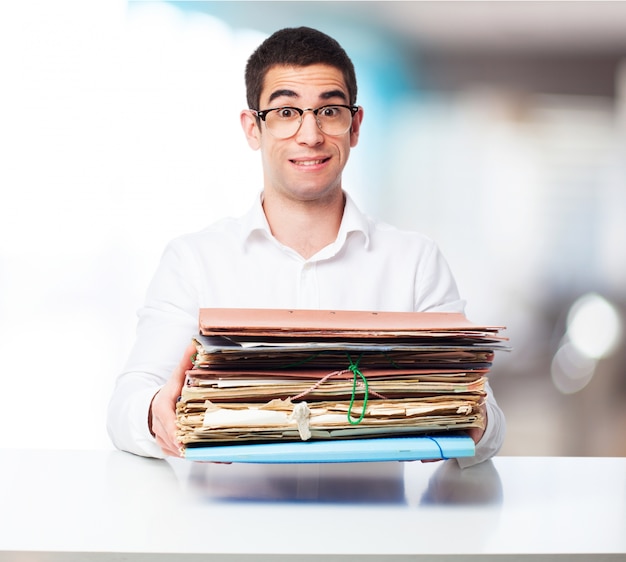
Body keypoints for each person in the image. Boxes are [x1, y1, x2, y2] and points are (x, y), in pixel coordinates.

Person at [107, 26, 505, 467]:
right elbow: (128, 402)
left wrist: (466, 417)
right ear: (252, 128)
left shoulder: (414, 261)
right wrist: (155, 413)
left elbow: (485, 418)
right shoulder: (195, 260)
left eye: (329, 111)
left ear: (354, 125)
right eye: (286, 112)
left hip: (377, 532)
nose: (310, 135)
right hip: (226, 530)